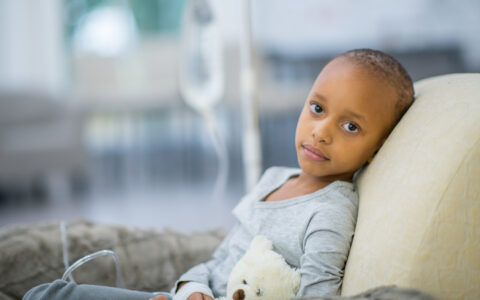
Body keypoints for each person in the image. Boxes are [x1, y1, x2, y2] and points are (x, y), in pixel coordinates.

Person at [23, 49, 414, 300]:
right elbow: (214, 265)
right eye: (317, 108)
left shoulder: (330, 212)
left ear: (377, 149)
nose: (321, 131)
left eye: (350, 127)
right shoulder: (274, 179)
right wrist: (191, 290)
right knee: (48, 292)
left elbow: (317, 294)